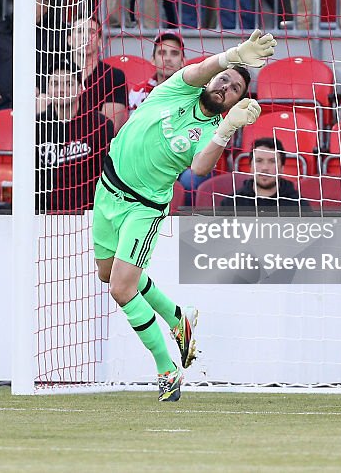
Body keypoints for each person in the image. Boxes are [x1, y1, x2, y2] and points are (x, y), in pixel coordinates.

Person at [93, 29, 276, 401]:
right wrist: (234, 55)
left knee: (121, 288)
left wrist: (227, 127)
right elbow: (201, 70)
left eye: (234, 89)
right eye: (223, 80)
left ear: (234, 104)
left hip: (144, 207)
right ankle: (179, 318)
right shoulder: (181, 87)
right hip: (107, 188)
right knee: (107, 274)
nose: (224, 86)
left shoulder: (213, 129)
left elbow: (200, 167)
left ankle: (166, 369)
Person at [37, 66, 114, 211]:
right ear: (47, 88)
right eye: (55, 84)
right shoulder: (37, 127)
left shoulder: (100, 125)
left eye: (68, 84)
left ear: (80, 88)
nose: (61, 89)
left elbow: (105, 176)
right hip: (45, 214)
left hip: (88, 214)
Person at [70, 15, 128, 133]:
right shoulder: (57, 74)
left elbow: (110, 127)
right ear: (69, 39)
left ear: (100, 41)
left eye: (91, 32)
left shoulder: (114, 76)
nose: (85, 37)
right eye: (80, 31)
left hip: (97, 147)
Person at [220, 138, 304, 214]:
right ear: (250, 166)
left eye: (272, 161)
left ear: (282, 167)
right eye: (259, 161)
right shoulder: (231, 204)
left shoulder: (299, 206)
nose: (265, 168)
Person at [129, 32, 186, 110]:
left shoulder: (194, 92)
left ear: (183, 61)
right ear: (153, 60)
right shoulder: (139, 91)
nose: (167, 58)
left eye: (174, 53)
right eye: (162, 53)